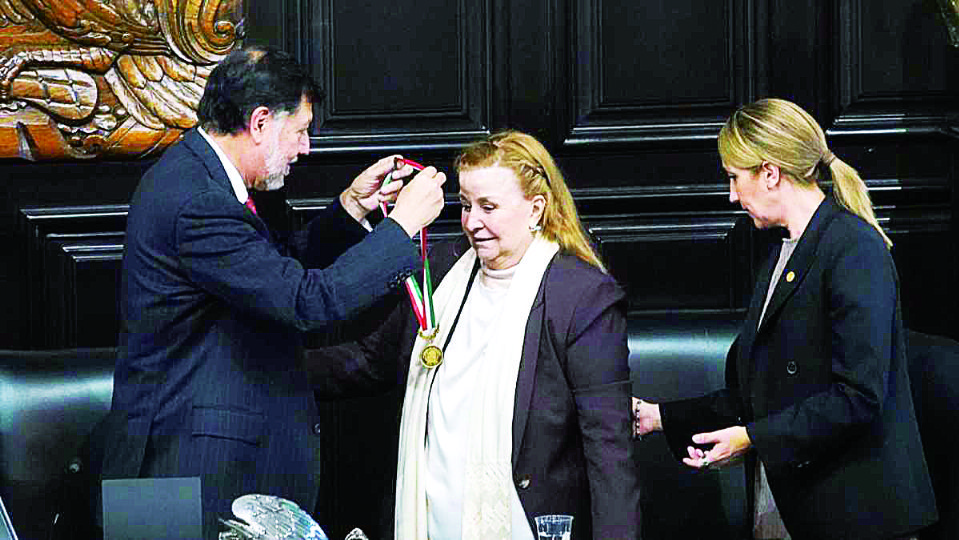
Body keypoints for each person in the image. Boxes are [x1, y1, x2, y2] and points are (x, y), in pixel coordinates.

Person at [100, 46, 447, 538]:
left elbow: (270, 274)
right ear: (260, 123)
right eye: (301, 130)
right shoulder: (198, 201)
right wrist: (402, 225)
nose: (305, 148)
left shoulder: (200, 175)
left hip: (191, 461)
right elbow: (304, 301)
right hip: (184, 471)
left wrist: (351, 209)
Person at [307, 131, 641, 539]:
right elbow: (371, 360)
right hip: (426, 522)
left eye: (488, 207)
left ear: (536, 209)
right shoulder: (441, 267)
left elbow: (609, 452)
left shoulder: (582, 296)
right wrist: (263, 367)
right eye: (465, 205)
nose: (471, 222)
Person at [633, 98, 937, 540]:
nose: (732, 195)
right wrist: (657, 417)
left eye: (735, 178)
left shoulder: (854, 249)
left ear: (770, 173)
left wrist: (753, 439)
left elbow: (859, 396)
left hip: (857, 516)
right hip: (801, 507)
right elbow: (762, 393)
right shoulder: (784, 253)